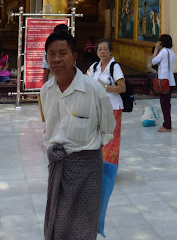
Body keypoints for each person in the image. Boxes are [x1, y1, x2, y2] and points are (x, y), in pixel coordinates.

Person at [40, 29, 114, 240]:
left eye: (62, 53)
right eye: (51, 54)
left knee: (83, 227)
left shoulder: (94, 90)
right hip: (58, 167)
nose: (56, 59)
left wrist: (86, 153)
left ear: (74, 57)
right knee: (58, 224)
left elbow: (108, 128)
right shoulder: (46, 91)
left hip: (87, 168)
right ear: (46, 59)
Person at [86, 39, 126, 165]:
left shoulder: (115, 67)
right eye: (100, 49)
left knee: (112, 139)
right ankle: (99, 166)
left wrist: (104, 87)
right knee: (98, 138)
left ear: (110, 52)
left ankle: (110, 168)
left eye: (105, 49)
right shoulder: (94, 67)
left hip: (113, 107)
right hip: (97, 108)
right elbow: (84, 80)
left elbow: (122, 88)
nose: (102, 52)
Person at [152, 34, 176, 132]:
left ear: (161, 43)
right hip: (171, 81)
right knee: (167, 104)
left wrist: (156, 50)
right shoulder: (171, 52)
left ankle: (167, 126)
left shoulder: (163, 52)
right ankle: (166, 123)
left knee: (164, 104)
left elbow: (153, 61)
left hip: (163, 81)